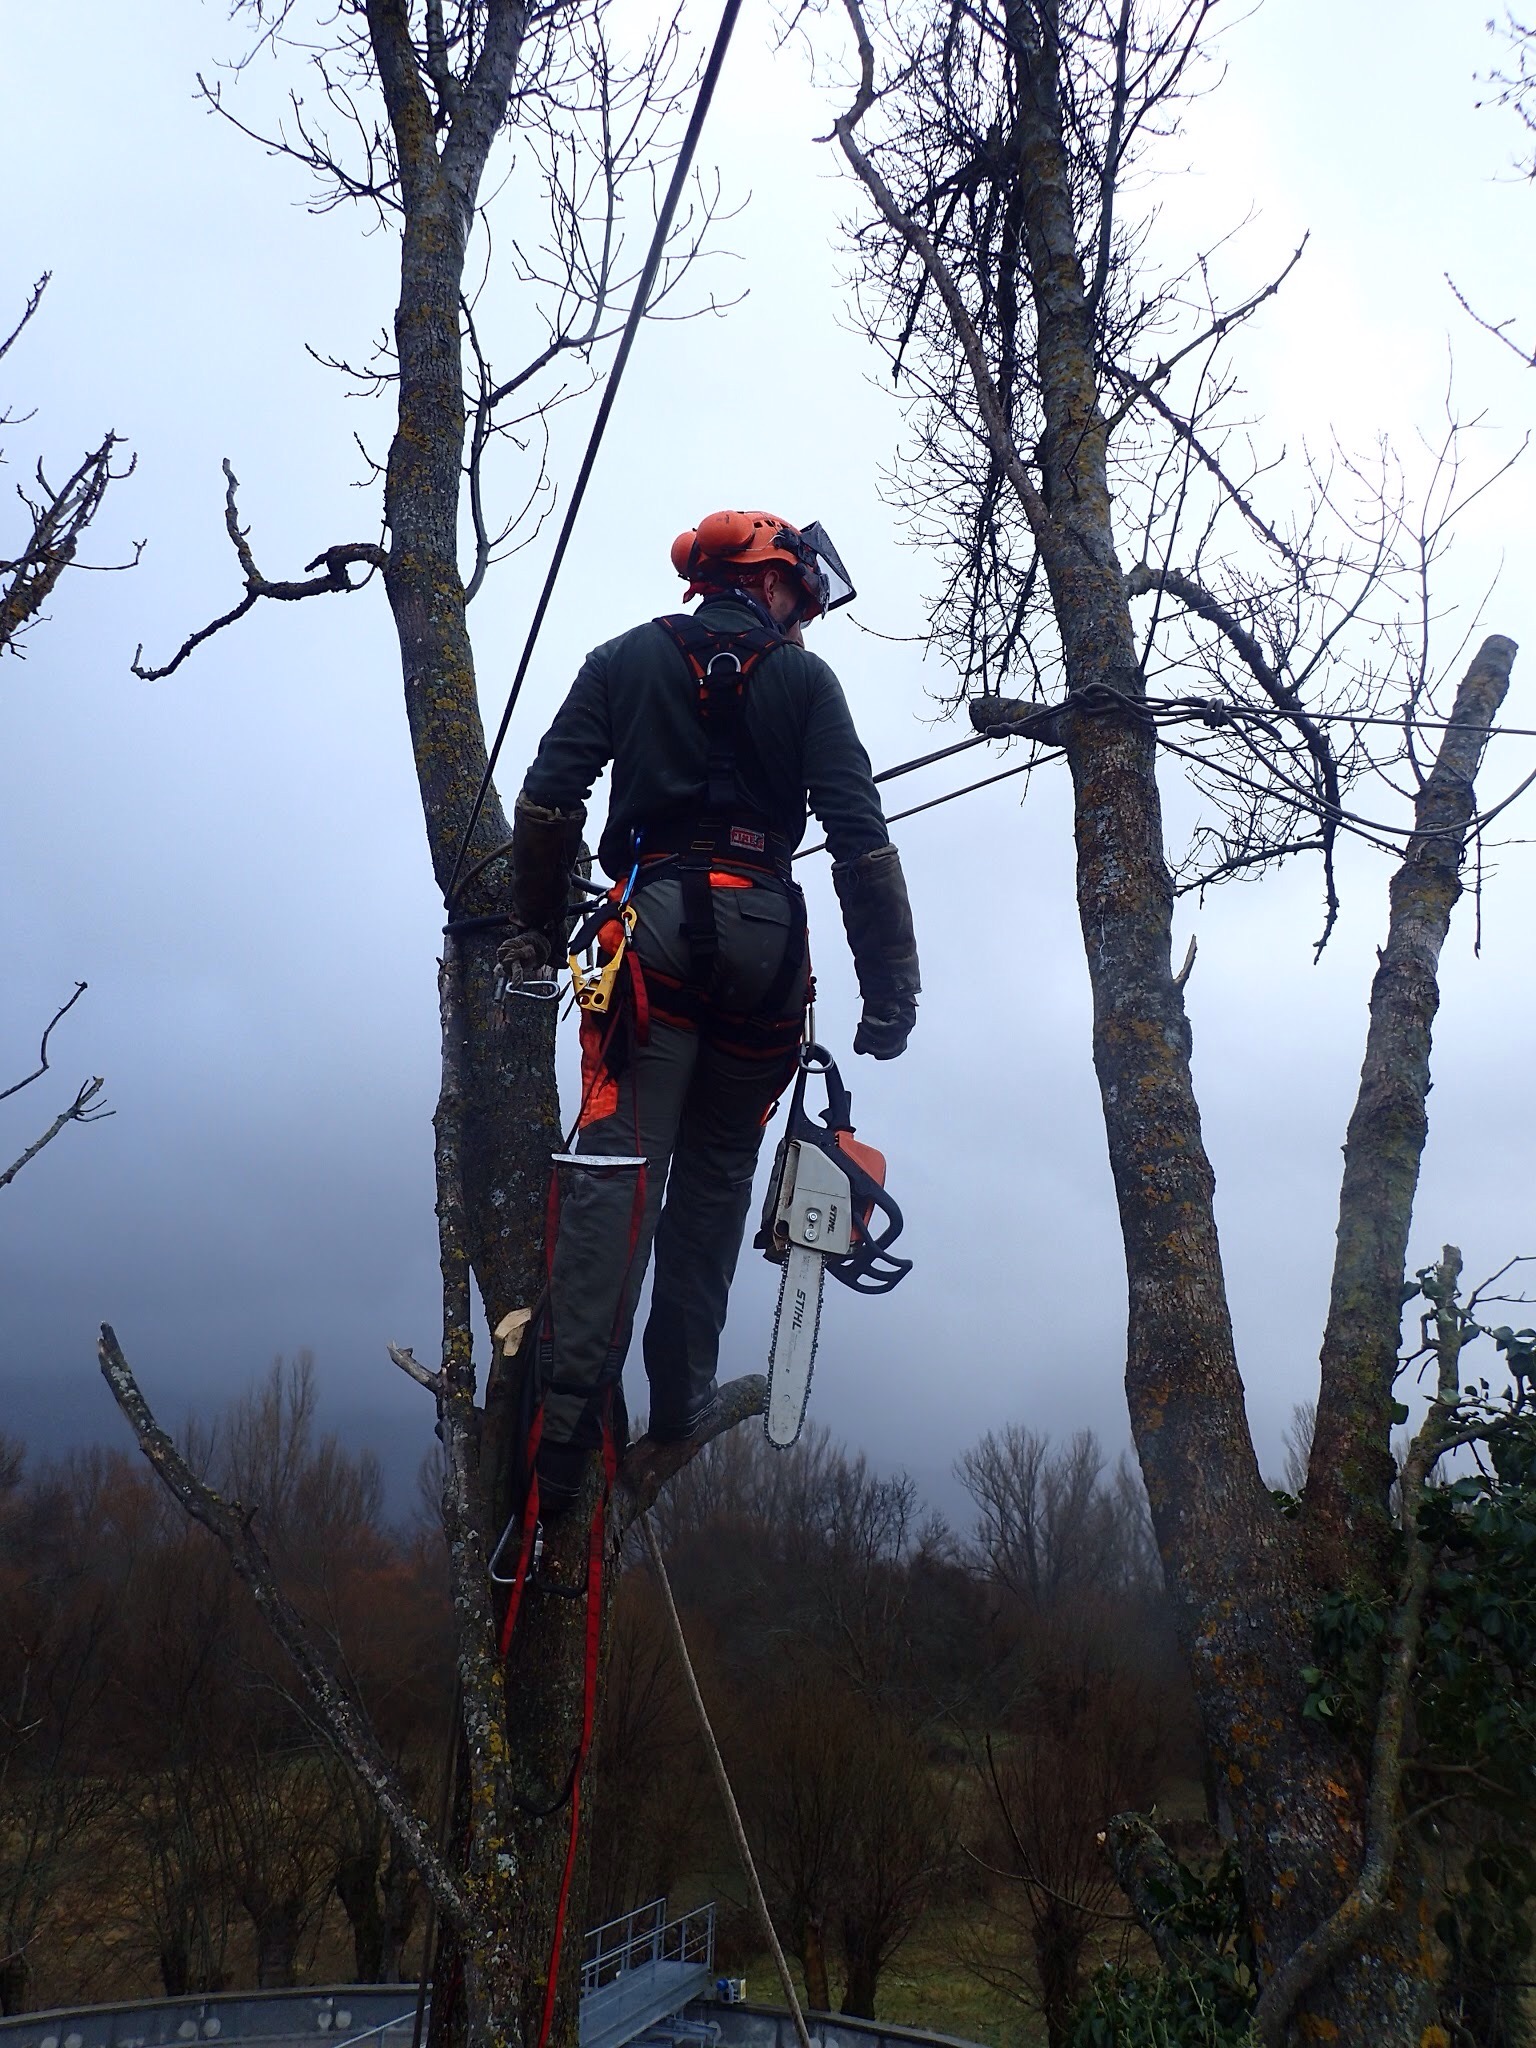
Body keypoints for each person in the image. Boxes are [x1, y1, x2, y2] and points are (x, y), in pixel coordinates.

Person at [496, 510, 920, 1513]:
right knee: (719, 1183)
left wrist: (533, 923)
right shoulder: (806, 682)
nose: (805, 623)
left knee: (621, 1163)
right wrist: (892, 984)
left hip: (654, 931)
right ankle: (678, 1405)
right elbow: (858, 834)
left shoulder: (624, 658)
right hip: (770, 949)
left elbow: (551, 800)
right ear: (770, 581)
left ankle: (562, 1433)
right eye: (801, 601)